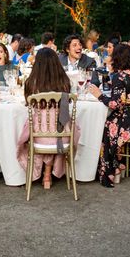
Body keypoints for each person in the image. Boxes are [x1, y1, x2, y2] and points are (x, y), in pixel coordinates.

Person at [88, 43, 130, 187]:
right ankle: (120, 166)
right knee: (109, 123)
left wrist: (99, 95)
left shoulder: (119, 77)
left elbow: (116, 104)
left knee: (106, 127)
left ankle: (110, 171)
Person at [17, 48, 75, 189]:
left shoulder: (31, 83)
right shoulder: (65, 82)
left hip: (39, 137)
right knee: (59, 131)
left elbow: (27, 104)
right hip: (63, 139)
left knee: (31, 135)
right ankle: (48, 174)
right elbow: (65, 114)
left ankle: (40, 173)